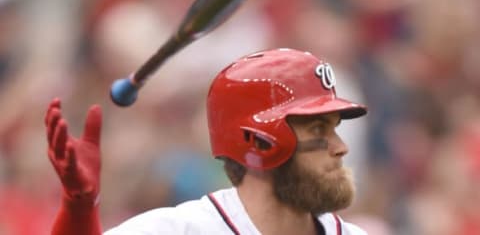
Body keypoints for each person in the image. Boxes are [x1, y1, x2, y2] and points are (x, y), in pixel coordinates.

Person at [45, 48, 368, 235]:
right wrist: (79, 212)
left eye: (334, 127)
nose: (341, 147)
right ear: (259, 142)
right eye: (318, 130)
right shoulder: (176, 231)